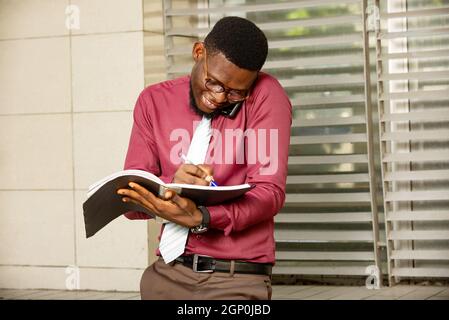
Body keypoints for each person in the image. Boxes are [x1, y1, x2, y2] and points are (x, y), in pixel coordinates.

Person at [117, 16, 292, 300]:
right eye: (214, 82)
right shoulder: (153, 102)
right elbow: (130, 203)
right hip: (165, 275)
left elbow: (269, 192)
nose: (219, 97)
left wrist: (203, 217)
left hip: (234, 279)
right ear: (199, 53)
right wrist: (169, 185)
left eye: (236, 92)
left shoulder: (264, 95)